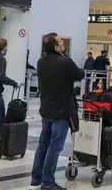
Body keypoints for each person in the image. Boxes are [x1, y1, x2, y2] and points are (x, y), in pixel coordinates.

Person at [30, 33, 84, 190]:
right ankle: (47, 182)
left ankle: (36, 180)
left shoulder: (41, 62)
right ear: (56, 47)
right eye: (61, 41)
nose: (63, 43)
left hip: (46, 109)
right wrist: (66, 57)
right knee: (55, 147)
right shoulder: (65, 62)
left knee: (43, 145)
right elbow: (80, 74)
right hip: (61, 111)